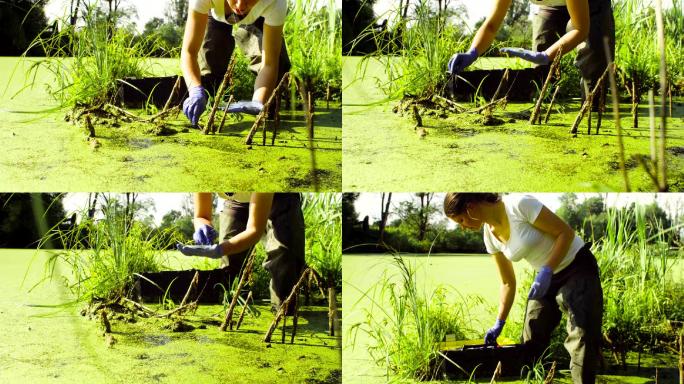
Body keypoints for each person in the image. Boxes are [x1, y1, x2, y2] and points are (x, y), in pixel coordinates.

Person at [443, 193, 603, 384]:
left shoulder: (519, 205)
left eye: (461, 220)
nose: (462, 227)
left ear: (470, 207)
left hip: (577, 267)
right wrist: (499, 322)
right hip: (547, 278)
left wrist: (547, 270)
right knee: (532, 333)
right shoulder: (489, 236)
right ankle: (535, 380)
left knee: (581, 336)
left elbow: (566, 233)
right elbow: (507, 282)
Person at [448, 0, 614, 105]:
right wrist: (472, 52)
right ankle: (547, 104)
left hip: (593, 4)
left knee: (594, 73)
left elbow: (580, 28)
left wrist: (546, 55)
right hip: (550, 6)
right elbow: (491, 25)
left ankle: (592, 103)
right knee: (541, 66)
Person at [177, 193, 306, 311]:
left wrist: (220, 249)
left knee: (284, 262)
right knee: (230, 275)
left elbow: (254, 230)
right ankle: (233, 314)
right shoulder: (201, 171)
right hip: (237, 201)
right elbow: (201, 216)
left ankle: (283, 310)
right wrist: (202, 226)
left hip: (279, 195)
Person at [181, 0, 290, 126]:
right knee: (209, 65)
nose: (240, 6)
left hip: (259, 17)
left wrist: (258, 102)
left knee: (278, 72)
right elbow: (189, 52)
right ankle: (203, 100)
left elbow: (270, 63)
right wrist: (195, 90)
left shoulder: (275, 3)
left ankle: (261, 105)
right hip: (216, 13)